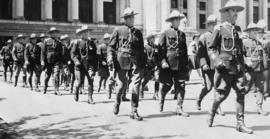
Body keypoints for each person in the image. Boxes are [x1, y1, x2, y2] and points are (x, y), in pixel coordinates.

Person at [206, 0, 253, 134]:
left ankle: (240, 123)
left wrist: (246, 62)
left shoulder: (237, 30)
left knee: (241, 92)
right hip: (225, 68)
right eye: (233, 11)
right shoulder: (219, 28)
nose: (236, 14)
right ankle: (212, 112)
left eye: (237, 11)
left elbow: (239, 49)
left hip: (237, 67)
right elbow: (211, 49)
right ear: (226, 13)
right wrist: (217, 61)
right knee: (221, 96)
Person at [107, 8, 146, 121]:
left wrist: (143, 64)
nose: (132, 19)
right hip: (121, 61)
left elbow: (141, 50)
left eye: (133, 17)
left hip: (136, 63)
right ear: (125, 19)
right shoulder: (118, 30)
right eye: (129, 17)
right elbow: (111, 46)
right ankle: (117, 101)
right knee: (122, 85)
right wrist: (110, 57)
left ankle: (134, 110)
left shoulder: (138, 32)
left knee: (135, 85)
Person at [158, 10, 189, 117]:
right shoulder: (165, 33)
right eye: (176, 19)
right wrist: (162, 61)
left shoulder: (182, 34)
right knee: (168, 85)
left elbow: (184, 50)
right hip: (168, 64)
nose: (178, 21)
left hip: (180, 64)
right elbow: (160, 50)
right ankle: (162, 96)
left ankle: (179, 107)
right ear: (171, 21)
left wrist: (186, 64)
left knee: (181, 85)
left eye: (178, 19)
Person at [197, 15, 225, 116]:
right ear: (208, 25)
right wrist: (203, 64)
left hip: (218, 65)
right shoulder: (203, 37)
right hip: (208, 66)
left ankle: (217, 108)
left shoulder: (219, 36)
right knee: (208, 87)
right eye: (212, 25)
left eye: (215, 24)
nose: (214, 27)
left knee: (218, 87)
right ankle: (199, 99)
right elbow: (201, 53)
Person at [242, 23, 269, 116]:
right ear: (248, 32)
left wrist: (264, 66)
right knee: (245, 89)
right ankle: (239, 107)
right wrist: (246, 61)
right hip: (249, 70)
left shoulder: (259, 42)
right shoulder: (244, 42)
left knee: (260, 88)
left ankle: (259, 108)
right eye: (253, 30)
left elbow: (262, 55)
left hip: (259, 69)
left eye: (256, 30)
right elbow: (240, 55)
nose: (255, 32)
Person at [71, 25, 98, 104]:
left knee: (91, 81)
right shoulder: (77, 42)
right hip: (80, 65)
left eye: (87, 32)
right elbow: (72, 54)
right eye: (84, 32)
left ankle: (90, 97)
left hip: (89, 66)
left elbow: (95, 55)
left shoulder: (91, 42)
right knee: (80, 82)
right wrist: (76, 61)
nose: (86, 33)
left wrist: (95, 67)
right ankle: (76, 90)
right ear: (81, 34)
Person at [41, 27, 64, 95]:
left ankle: (56, 89)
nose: (54, 34)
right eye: (52, 32)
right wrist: (42, 60)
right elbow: (43, 52)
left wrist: (61, 62)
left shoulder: (59, 42)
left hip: (56, 61)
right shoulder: (46, 41)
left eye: (55, 32)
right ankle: (45, 87)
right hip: (48, 61)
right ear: (50, 34)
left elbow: (60, 53)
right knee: (47, 76)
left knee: (56, 75)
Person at [139, 34, 159, 100]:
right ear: (149, 39)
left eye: (154, 38)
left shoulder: (156, 46)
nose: (154, 39)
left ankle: (156, 94)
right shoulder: (145, 47)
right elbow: (143, 56)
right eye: (152, 38)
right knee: (146, 79)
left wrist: (157, 64)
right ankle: (141, 90)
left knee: (157, 79)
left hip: (155, 65)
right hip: (147, 65)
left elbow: (158, 56)